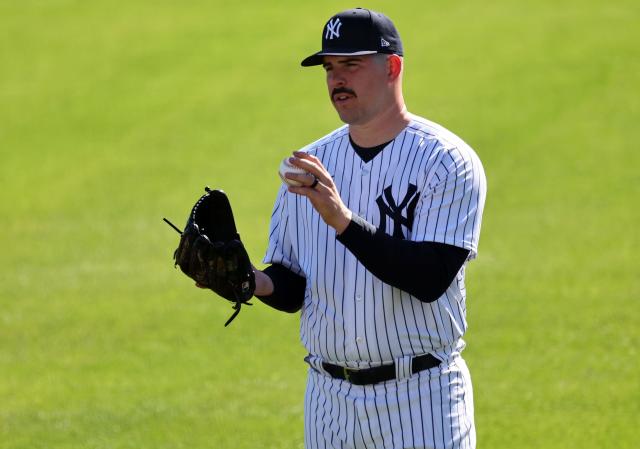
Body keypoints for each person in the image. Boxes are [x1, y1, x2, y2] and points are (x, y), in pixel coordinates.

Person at [252, 8, 487, 449]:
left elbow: (430, 277)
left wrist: (342, 220)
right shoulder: (308, 166)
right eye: (329, 68)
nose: (337, 80)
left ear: (392, 67)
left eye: (351, 64)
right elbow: (293, 287)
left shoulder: (447, 162)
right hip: (329, 403)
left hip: (422, 399)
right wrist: (248, 281)